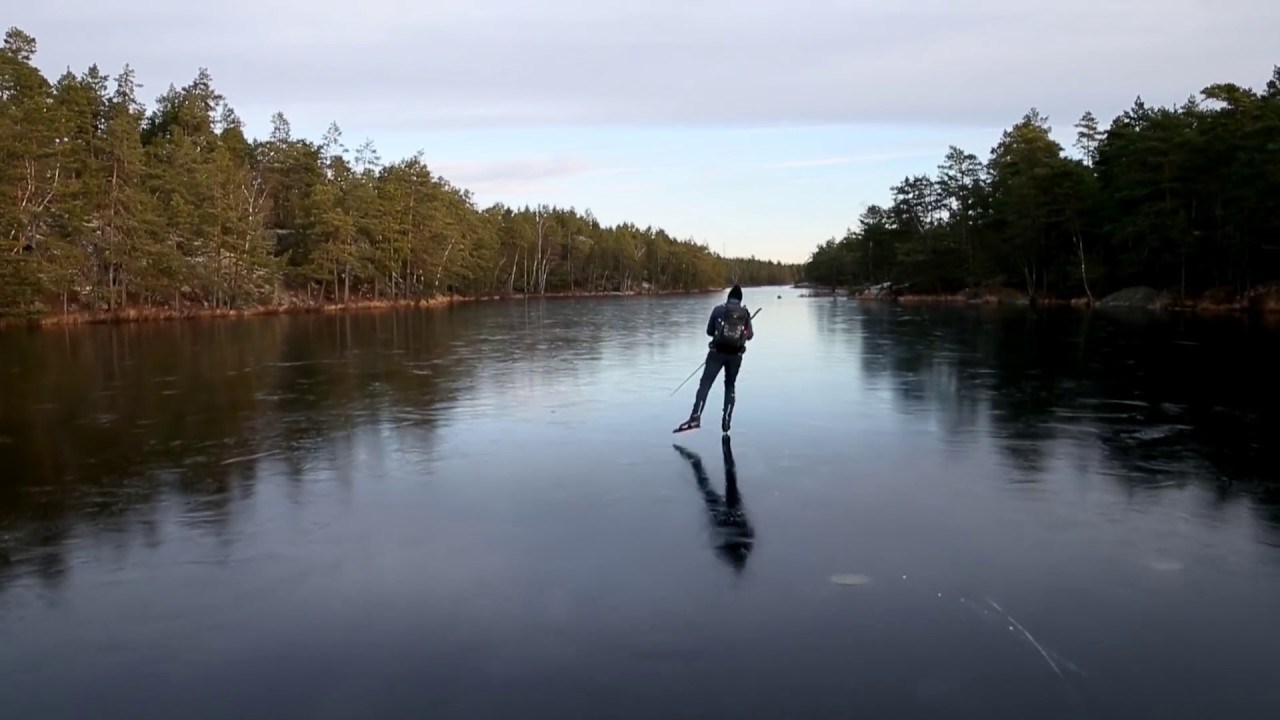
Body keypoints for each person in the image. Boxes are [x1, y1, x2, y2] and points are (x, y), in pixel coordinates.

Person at [678, 284, 754, 433]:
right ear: (740, 299)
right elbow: (750, 335)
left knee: (705, 384)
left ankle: (695, 417)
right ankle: (726, 421)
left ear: (728, 297)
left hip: (716, 354)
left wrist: (720, 332)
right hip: (735, 356)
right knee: (730, 386)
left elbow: (709, 331)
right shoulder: (745, 313)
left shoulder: (718, 310)